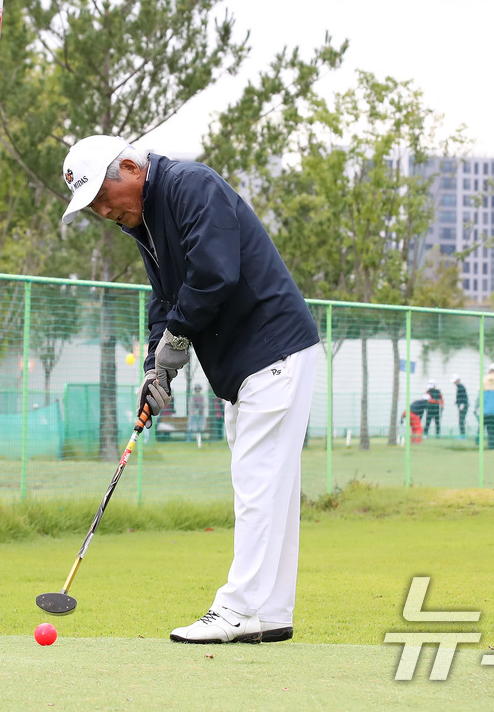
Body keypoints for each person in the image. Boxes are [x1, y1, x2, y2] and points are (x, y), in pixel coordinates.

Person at [61, 136, 320, 645]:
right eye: (91, 205)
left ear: (131, 167)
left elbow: (214, 273)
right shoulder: (144, 220)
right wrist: (158, 367)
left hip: (272, 348)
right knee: (272, 491)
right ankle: (269, 612)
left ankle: (237, 609)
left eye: (101, 196)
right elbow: (165, 299)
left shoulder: (190, 185)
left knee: (258, 486)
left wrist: (177, 338)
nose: (101, 211)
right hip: (248, 363)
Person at [452, 374, 469, 438]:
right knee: (461, 420)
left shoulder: (460, 387)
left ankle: (463, 435)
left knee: (461, 420)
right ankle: (462, 434)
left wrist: (462, 404)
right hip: (462, 405)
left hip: (463, 406)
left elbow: (463, 397)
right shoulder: (459, 386)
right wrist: (457, 402)